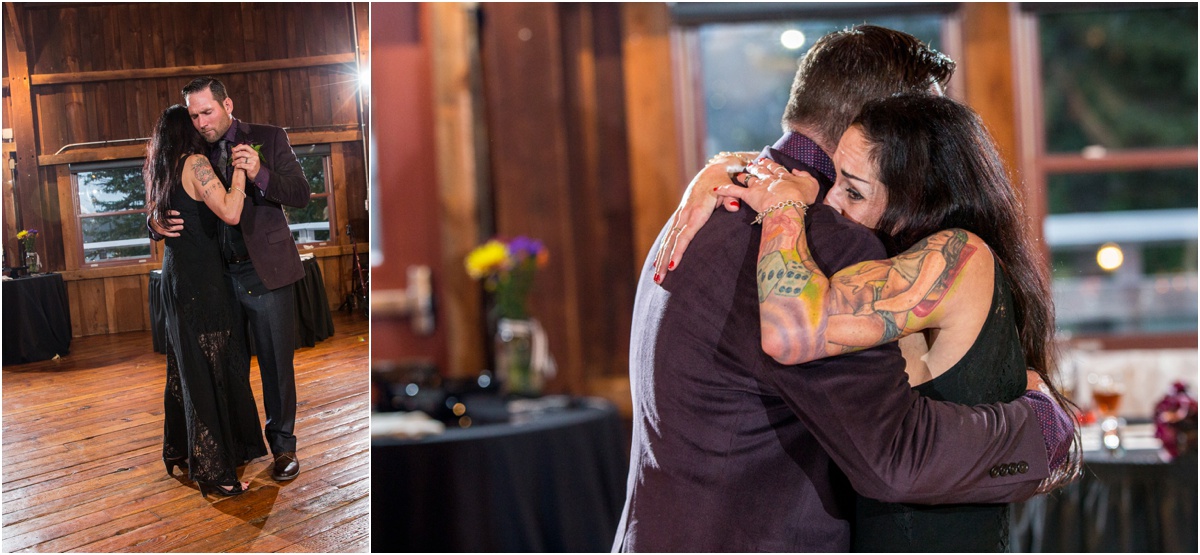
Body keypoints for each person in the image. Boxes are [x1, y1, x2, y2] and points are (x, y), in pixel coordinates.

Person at [614, 25, 1076, 552]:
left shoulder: (709, 204)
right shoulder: (828, 243)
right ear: (886, 128)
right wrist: (1040, 428)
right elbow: (896, 458)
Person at [717, 93, 1080, 551]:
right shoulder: (906, 260)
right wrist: (720, 171)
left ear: (914, 204)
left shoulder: (958, 256)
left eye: (853, 190)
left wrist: (782, 207)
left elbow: (792, 331)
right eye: (834, 181)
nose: (830, 204)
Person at [151, 77, 312, 481]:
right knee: (228, 364)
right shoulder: (191, 151)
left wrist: (260, 173)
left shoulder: (269, 137)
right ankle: (239, 442)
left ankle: (283, 448)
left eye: (208, 111)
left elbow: (300, 193)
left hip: (266, 272)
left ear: (228, 104)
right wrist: (152, 223)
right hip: (215, 279)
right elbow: (167, 194)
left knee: (276, 365)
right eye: (194, 115)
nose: (202, 122)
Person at [146, 104, 267, 498]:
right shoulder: (196, 162)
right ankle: (217, 473)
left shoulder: (160, 170)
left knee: (186, 368)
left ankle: (183, 450)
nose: (202, 127)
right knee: (210, 371)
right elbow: (231, 212)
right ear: (189, 131)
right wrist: (239, 171)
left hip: (177, 277)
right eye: (195, 121)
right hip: (203, 282)